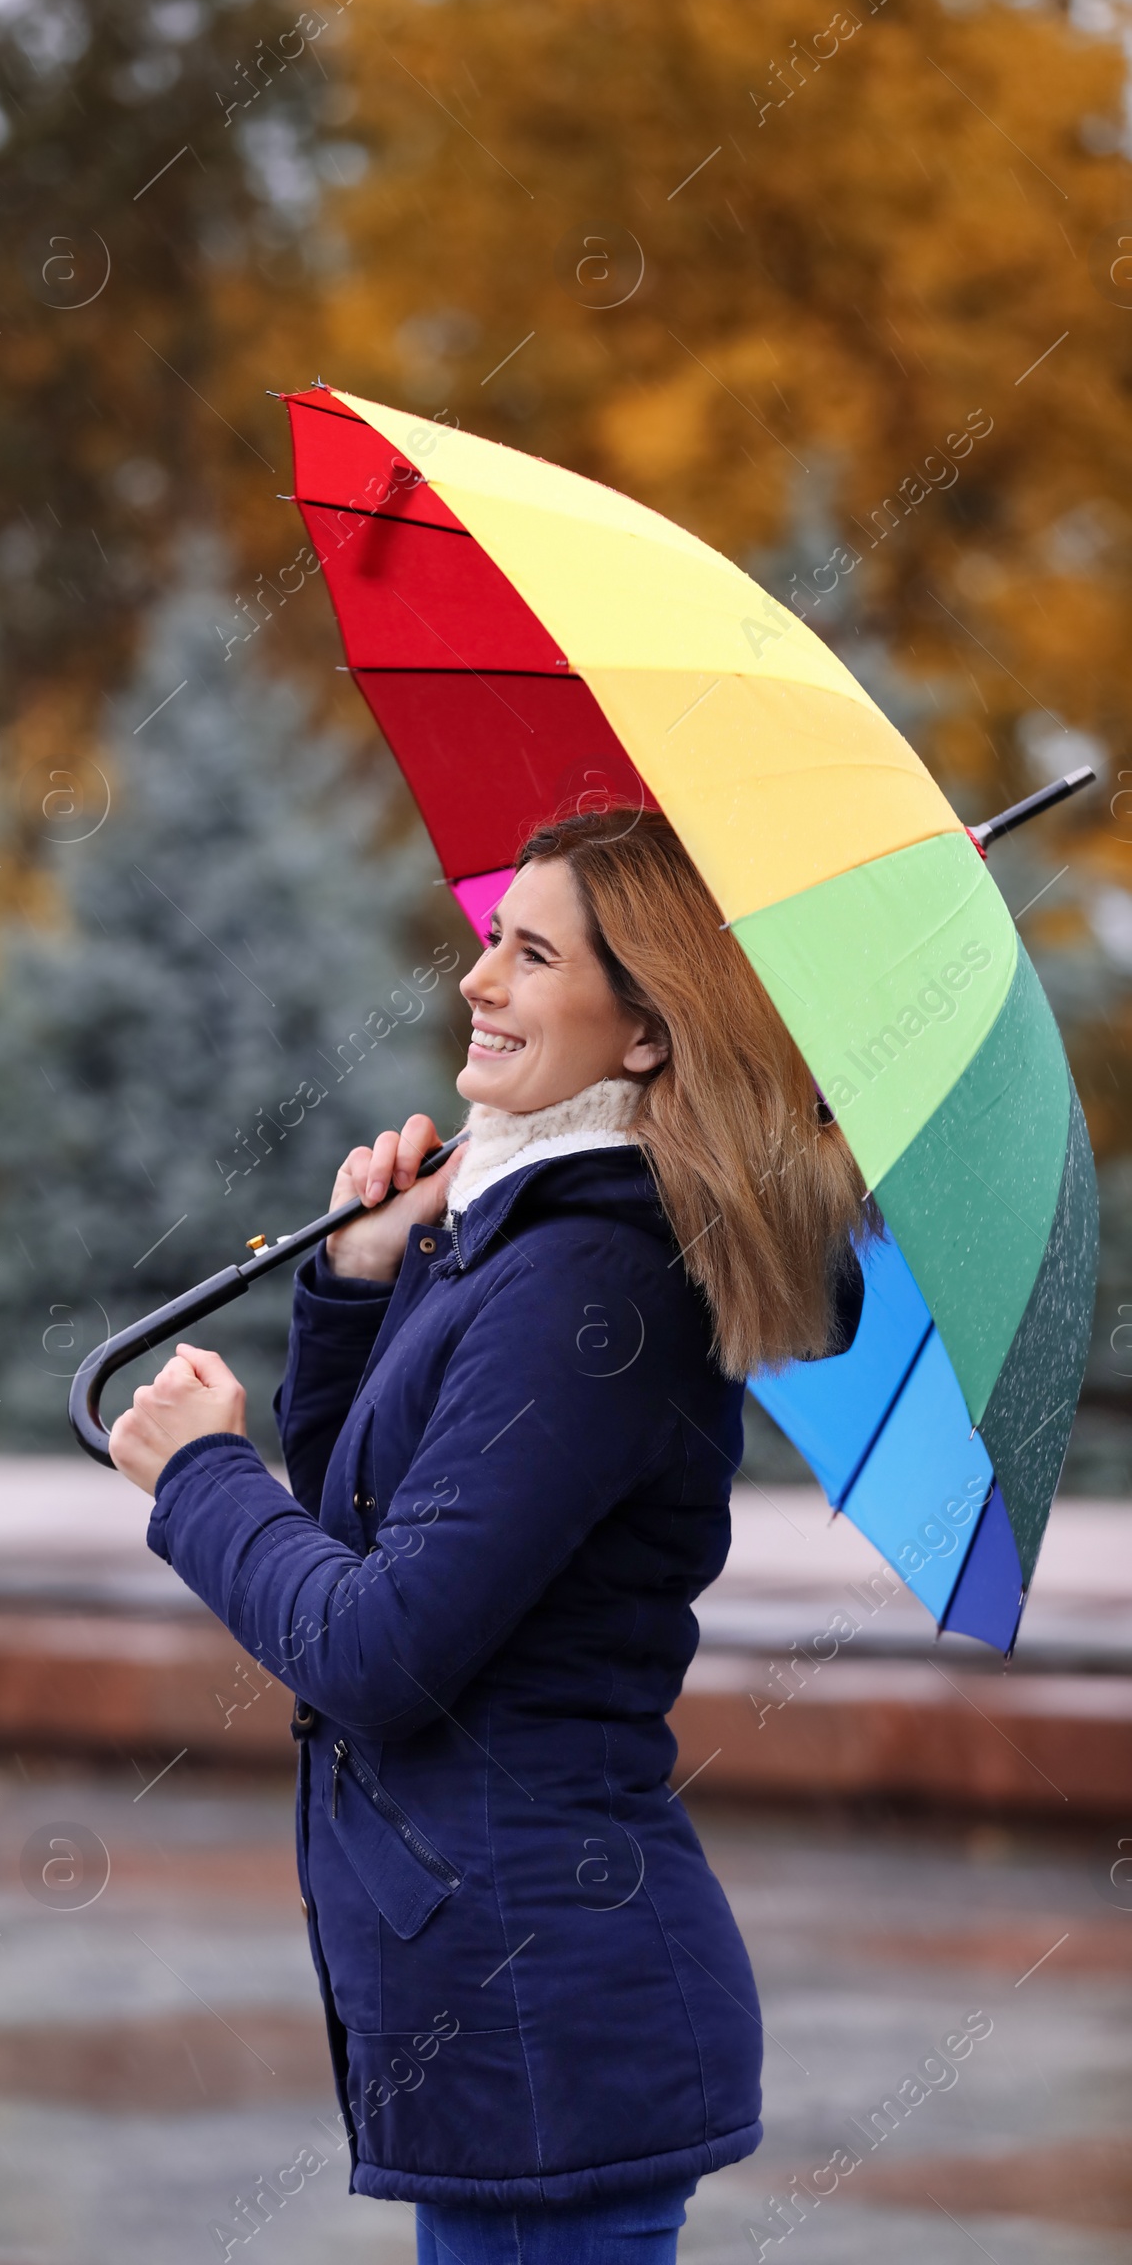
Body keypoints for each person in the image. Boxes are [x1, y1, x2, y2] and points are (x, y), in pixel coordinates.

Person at [109, 810, 873, 2265]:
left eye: (532, 954)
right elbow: (359, 1538)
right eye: (489, 941)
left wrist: (201, 1482)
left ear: (647, 1032)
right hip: (504, 2007)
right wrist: (348, 1280)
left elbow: (380, 1654)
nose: (478, 980)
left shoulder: (592, 1281)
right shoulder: (522, 1237)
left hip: (543, 2007)